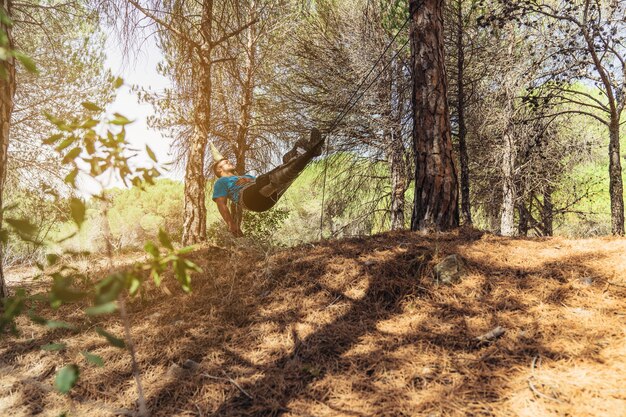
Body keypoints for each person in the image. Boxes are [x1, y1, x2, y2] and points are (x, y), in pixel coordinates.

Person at [212, 129, 324, 236]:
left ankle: (307, 153)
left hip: (268, 197)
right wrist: (231, 224)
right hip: (249, 199)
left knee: (287, 174)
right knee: (264, 180)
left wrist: (249, 180)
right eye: (226, 163)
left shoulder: (246, 176)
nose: (229, 162)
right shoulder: (221, 182)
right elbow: (221, 204)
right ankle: (300, 155)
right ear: (219, 170)